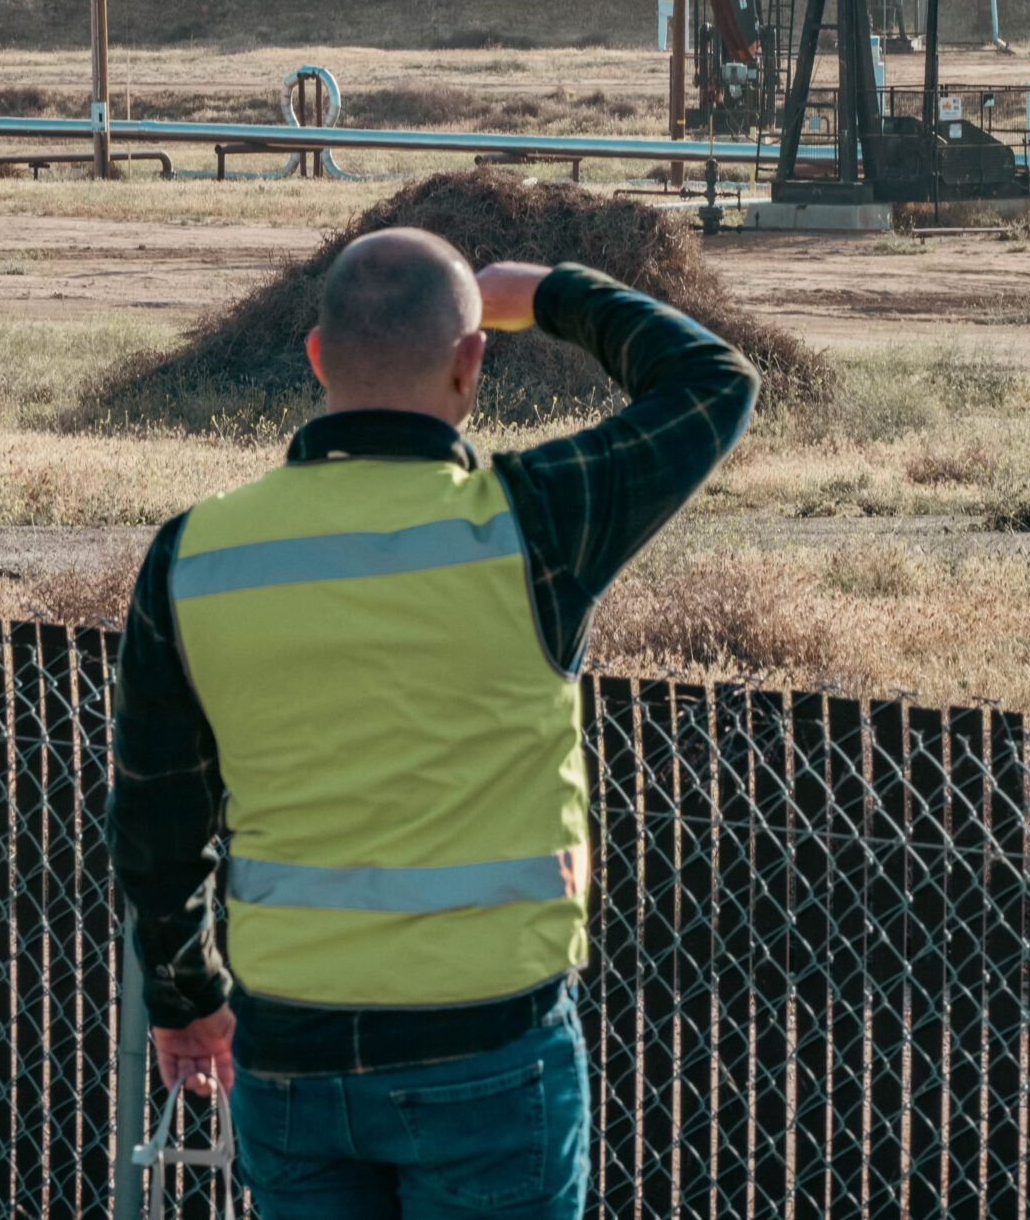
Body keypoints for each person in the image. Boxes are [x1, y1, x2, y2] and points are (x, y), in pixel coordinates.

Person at [108, 227, 757, 1220]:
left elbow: (157, 815)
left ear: (318, 358)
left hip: (288, 1053)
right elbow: (713, 382)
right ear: (471, 363)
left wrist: (185, 1000)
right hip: (488, 1048)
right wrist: (547, 293)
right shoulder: (533, 524)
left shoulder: (193, 556)